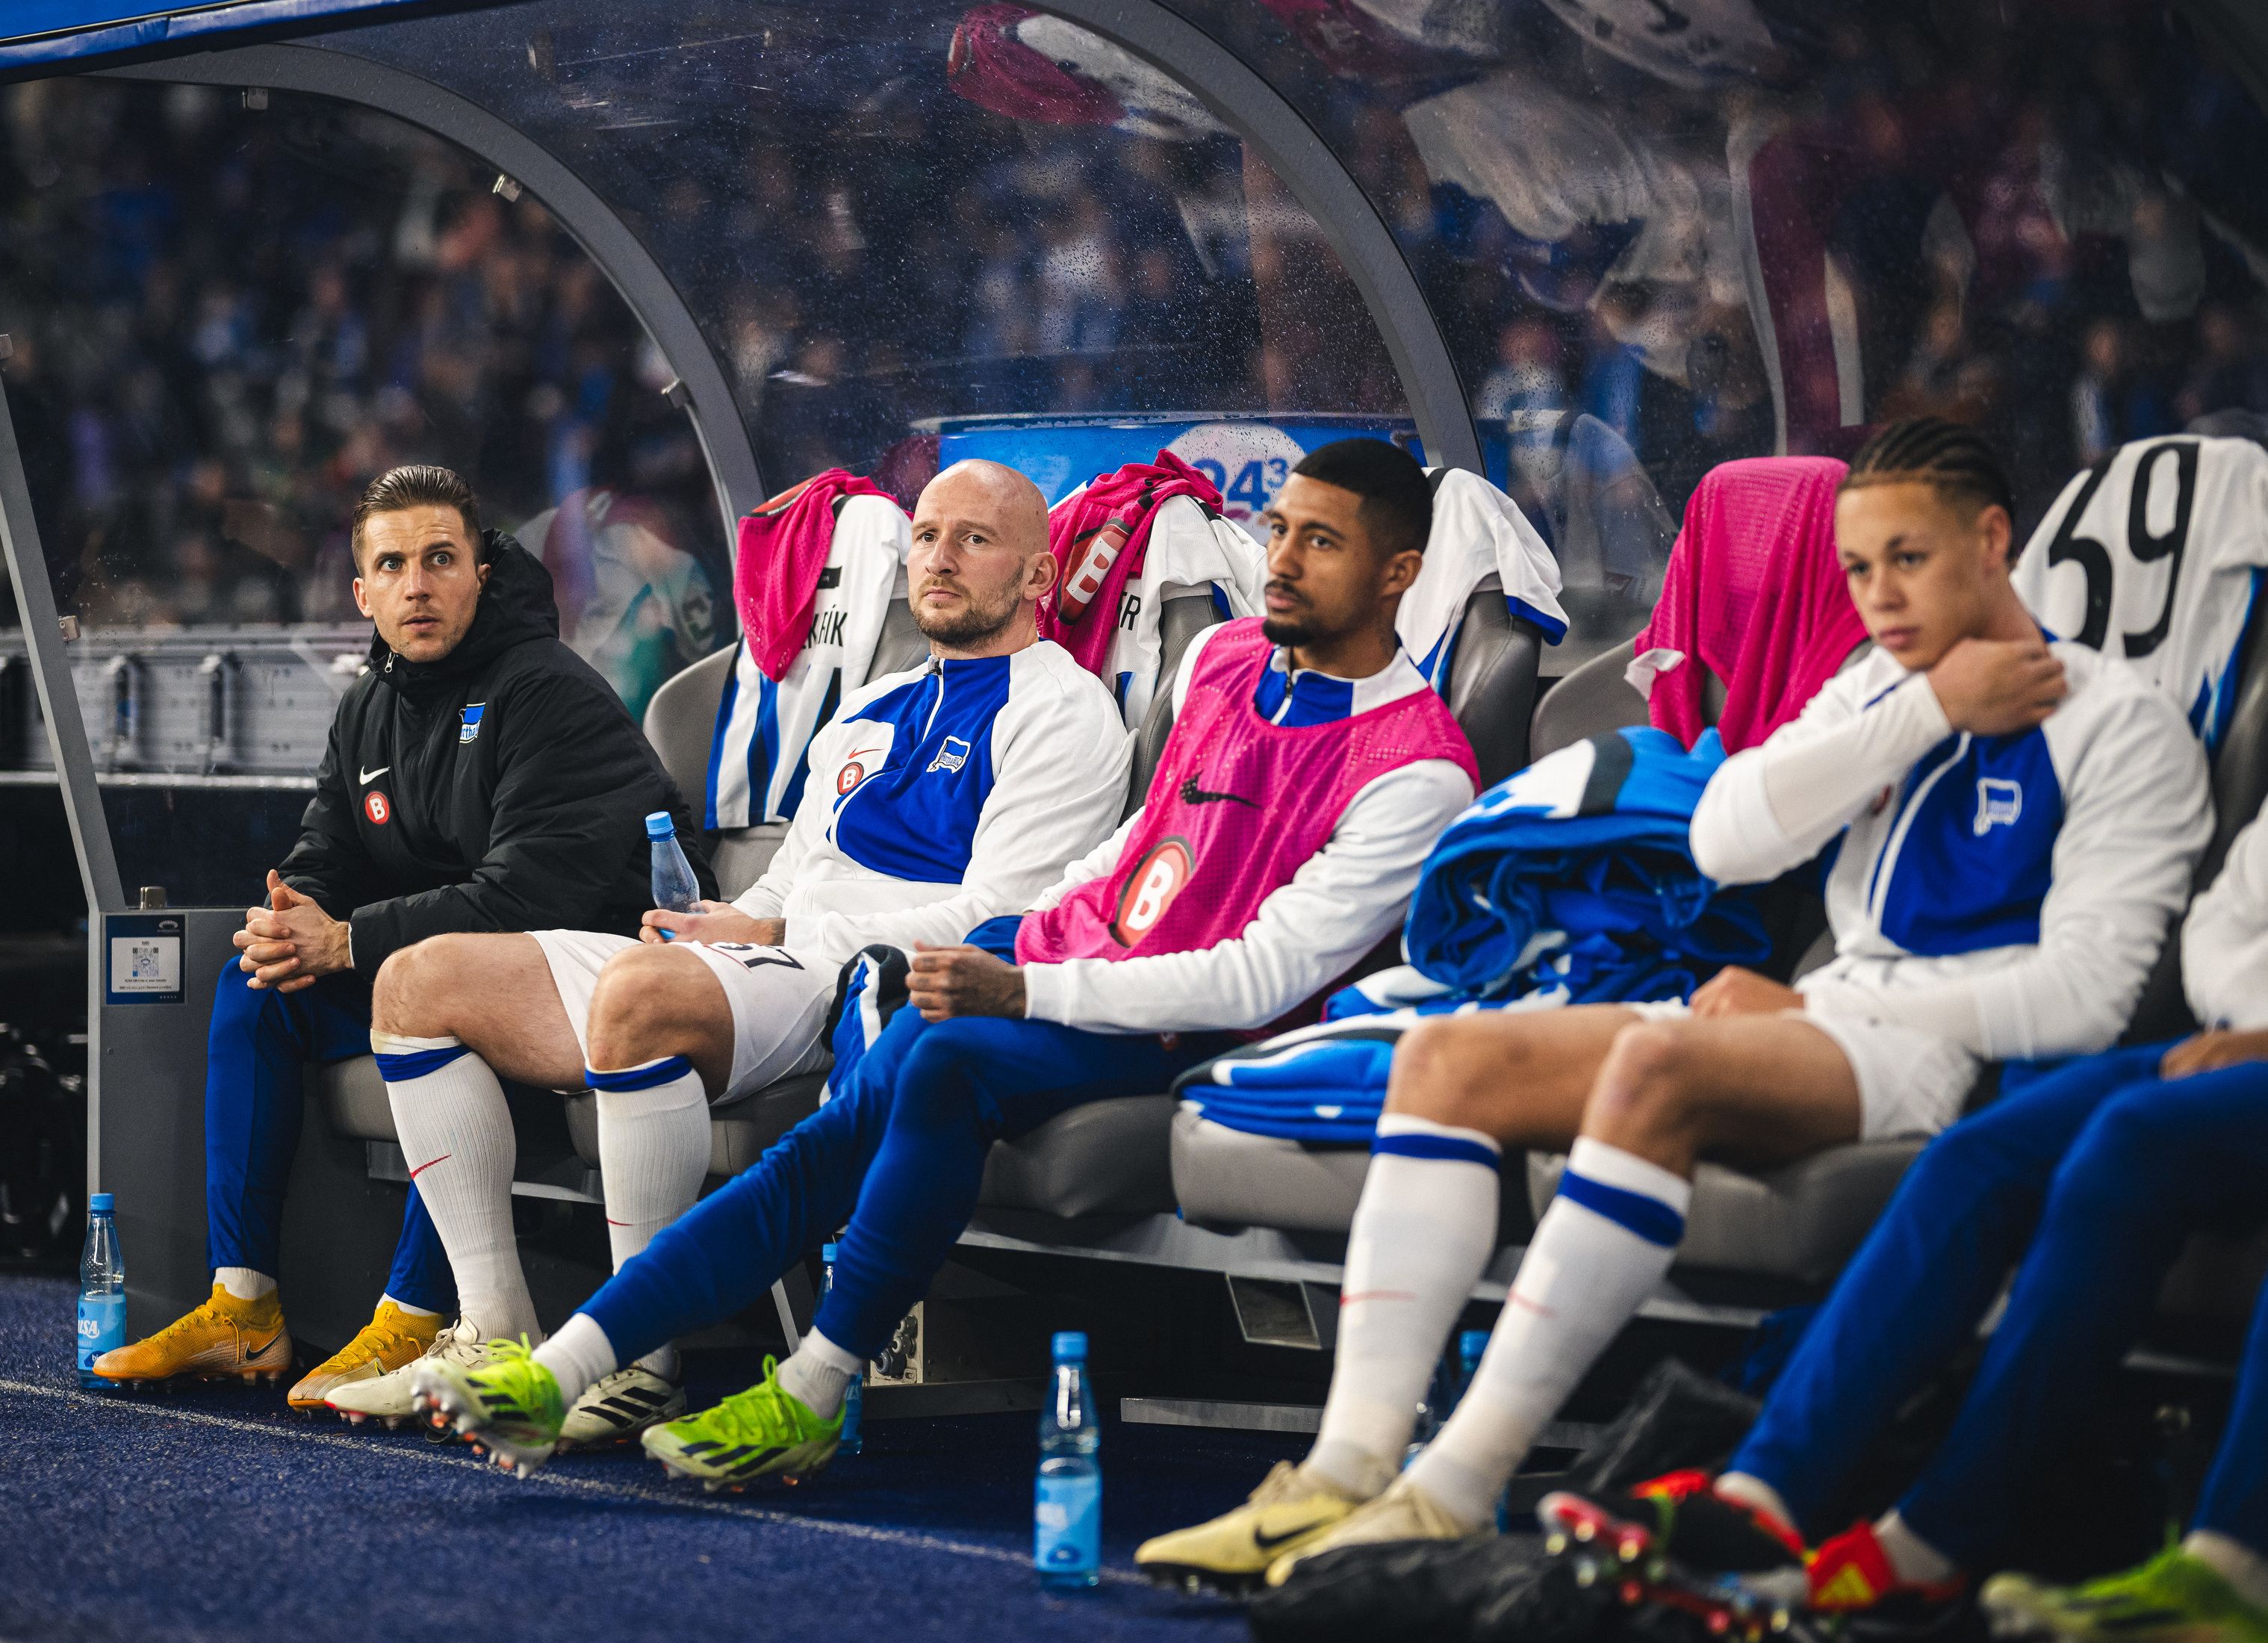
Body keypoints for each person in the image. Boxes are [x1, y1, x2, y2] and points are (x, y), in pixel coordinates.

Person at [1138, 417, 2216, 1590]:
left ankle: (1450, 1492)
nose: (1880, 596)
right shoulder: (1883, 689)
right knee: (1447, 1059)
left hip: (1950, 1053)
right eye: (1859, 569)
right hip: (1834, 1017)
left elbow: (2087, 1002)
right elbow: (1725, 838)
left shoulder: (2118, 721)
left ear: (1994, 541)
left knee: (1656, 1067)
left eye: (1908, 560)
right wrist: (1926, 710)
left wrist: (1819, 1014)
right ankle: (1344, 1472)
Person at [410, 438, 1485, 1487]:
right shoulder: (1225, 659)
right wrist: (1023, 939)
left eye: (1321, 543)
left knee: (944, 1062)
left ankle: (811, 1387)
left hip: (1195, 1029)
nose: (1283, 562)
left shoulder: (1418, 769)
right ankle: (566, 1369)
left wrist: (1024, 982)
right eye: (1279, 530)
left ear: (1399, 572)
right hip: (1068, 967)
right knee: (842, 1127)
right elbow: (1140, 841)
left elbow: (1260, 980)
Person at [341, 459, 1128, 1441]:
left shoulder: (1063, 711)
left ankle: (638, 1364)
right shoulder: (870, 706)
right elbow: (789, 877)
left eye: (975, 539)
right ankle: (493, 1327)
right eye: (927, 536)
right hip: (779, 956)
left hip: (861, 983)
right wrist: (720, 920)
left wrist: (771, 934)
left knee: (641, 995)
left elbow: (997, 922)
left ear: (1039, 575)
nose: (940, 558)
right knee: (417, 980)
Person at [1537, 791, 2268, 1636]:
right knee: (1976, 1157)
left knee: (2134, 1138)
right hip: (2239, 1039)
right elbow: (2228, 914)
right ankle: (1764, 1500)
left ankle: (2214, 1566)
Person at [90, 465, 711, 1413]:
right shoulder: (369, 704)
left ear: (480, 574)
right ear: (361, 593)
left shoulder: (549, 693)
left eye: (439, 559)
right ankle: (244, 1306)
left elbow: (523, 899)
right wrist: (295, 914)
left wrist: (347, 941)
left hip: (584, 999)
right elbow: (328, 849)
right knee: (257, 984)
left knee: (455, 1005)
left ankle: (417, 1313)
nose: (416, 586)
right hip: (442, 970)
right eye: (392, 565)